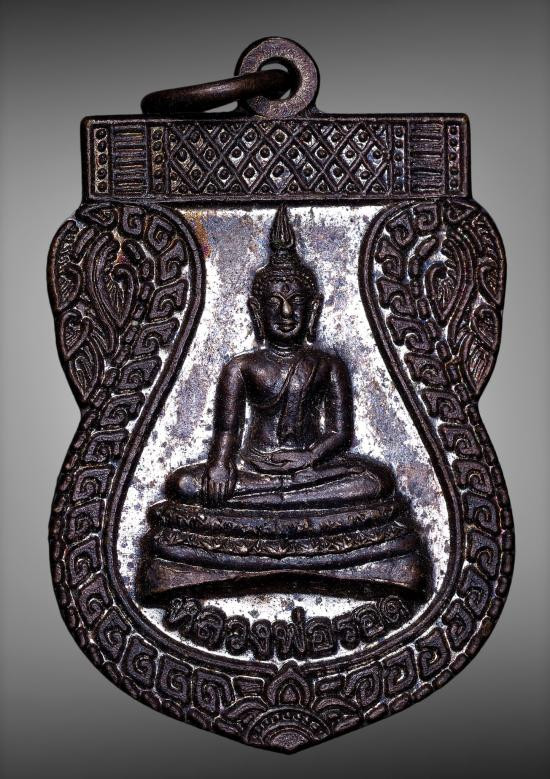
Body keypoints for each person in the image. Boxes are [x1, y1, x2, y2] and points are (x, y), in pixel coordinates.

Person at [166, 204, 395, 511]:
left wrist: (310, 456)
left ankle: (276, 499)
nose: (287, 313)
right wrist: (220, 466)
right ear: (257, 311)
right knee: (183, 484)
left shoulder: (329, 365)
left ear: (313, 309)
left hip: (310, 468)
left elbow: (340, 433)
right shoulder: (241, 368)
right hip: (254, 468)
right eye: (275, 303)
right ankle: (286, 498)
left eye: (296, 302)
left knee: (376, 480)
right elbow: (226, 432)